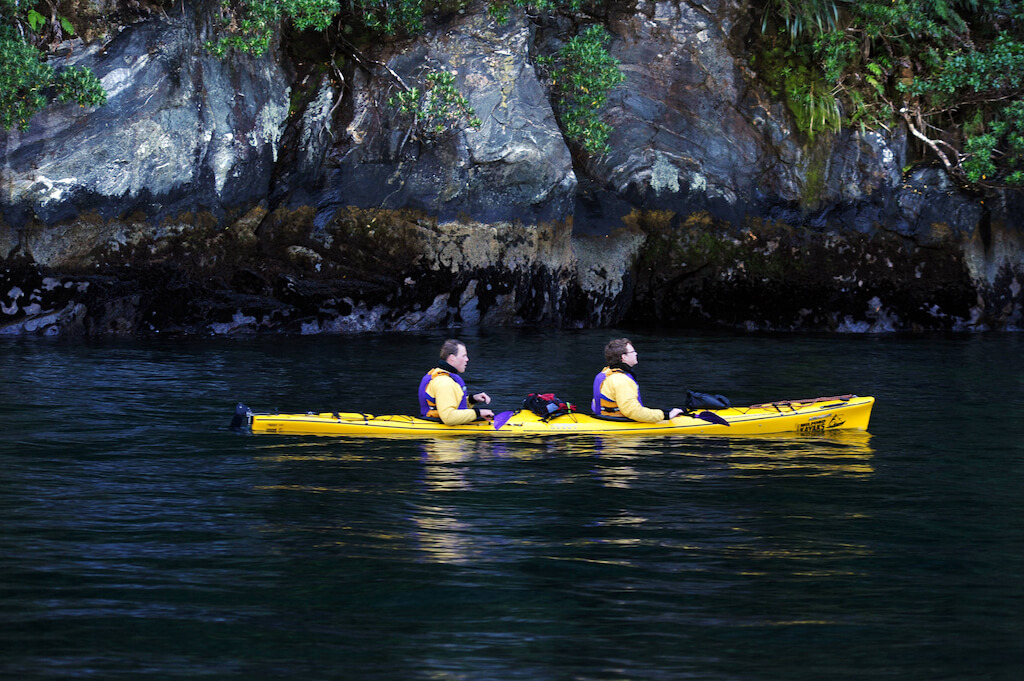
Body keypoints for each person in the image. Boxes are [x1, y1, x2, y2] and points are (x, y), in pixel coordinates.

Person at [592, 338, 684, 422]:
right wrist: (666, 415)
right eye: (633, 352)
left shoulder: (606, 373)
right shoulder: (622, 380)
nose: (636, 353)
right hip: (619, 426)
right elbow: (633, 412)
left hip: (604, 417)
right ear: (624, 357)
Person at [418, 339, 495, 425]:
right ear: (452, 358)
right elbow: (448, 417)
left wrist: (472, 400)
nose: (467, 359)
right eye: (464, 356)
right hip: (444, 436)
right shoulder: (444, 382)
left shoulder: (441, 376)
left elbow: (448, 403)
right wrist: (478, 413)